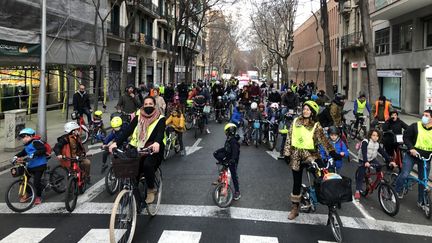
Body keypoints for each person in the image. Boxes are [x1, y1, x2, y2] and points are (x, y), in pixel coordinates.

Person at [283, 100, 339, 220]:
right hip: (296, 155)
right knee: (296, 183)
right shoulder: (295, 121)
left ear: (312, 112)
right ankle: (295, 208)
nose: (305, 111)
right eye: (304, 109)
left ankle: (329, 202)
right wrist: (287, 154)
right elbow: (289, 138)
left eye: (308, 109)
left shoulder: (315, 125)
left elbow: (323, 139)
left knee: (322, 176)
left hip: (311, 154)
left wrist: (333, 152)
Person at [109, 96, 166, 205]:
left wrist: (157, 142)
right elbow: (128, 130)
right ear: (143, 106)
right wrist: (116, 142)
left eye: (150, 104)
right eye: (146, 104)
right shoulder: (138, 116)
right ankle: (136, 200)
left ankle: (150, 189)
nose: (148, 106)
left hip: (152, 149)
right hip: (137, 148)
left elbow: (160, 132)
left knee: (147, 165)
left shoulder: (160, 118)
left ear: (154, 105)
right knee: (130, 172)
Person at [394, 110, 432, 205]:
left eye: (426, 115)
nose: (424, 117)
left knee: (424, 181)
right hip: (412, 156)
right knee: (404, 174)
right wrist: (411, 148)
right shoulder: (415, 126)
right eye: (423, 115)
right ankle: (396, 191)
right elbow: (406, 137)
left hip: (425, 158)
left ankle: (421, 201)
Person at [354, 128, 393, 201]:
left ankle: (374, 177)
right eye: (373, 135)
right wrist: (365, 162)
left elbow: (383, 152)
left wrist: (390, 161)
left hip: (372, 159)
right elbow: (364, 152)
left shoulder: (377, 144)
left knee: (379, 166)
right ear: (370, 136)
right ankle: (357, 191)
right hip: (363, 159)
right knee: (361, 174)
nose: (375, 137)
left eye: (377, 136)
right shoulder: (366, 142)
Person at [14, 128, 48, 205]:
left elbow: (43, 149)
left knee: (36, 182)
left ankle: (38, 196)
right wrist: (15, 156)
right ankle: (30, 193)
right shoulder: (27, 145)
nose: (24, 139)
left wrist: (34, 154)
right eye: (23, 137)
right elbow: (23, 152)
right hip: (30, 166)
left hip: (40, 165)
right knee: (23, 180)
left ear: (31, 136)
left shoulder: (35, 142)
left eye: (26, 137)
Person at [223, 123, 241, 200]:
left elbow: (235, 152)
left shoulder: (233, 140)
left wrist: (233, 160)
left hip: (232, 160)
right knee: (224, 168)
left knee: (234, 175)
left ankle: (237, 191)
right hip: (228, 157)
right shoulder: (230, 138)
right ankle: (221, 180)